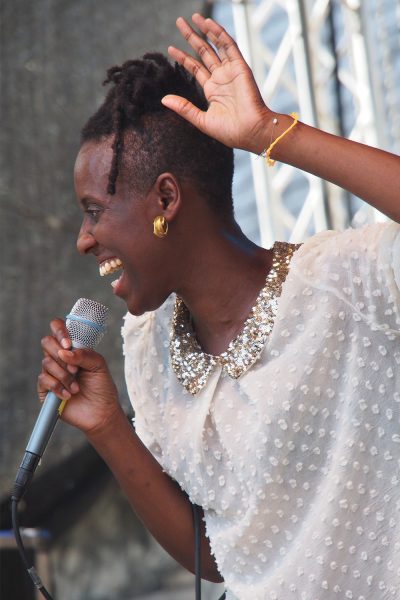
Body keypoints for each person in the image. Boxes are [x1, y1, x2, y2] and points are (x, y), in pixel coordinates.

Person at [38, 13, 400, 600]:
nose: (83, 239)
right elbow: (220, 555)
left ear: (166, 198)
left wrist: (272, 135)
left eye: (94, 210)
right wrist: (106, 427)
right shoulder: (148, 349)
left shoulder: (343, 282)